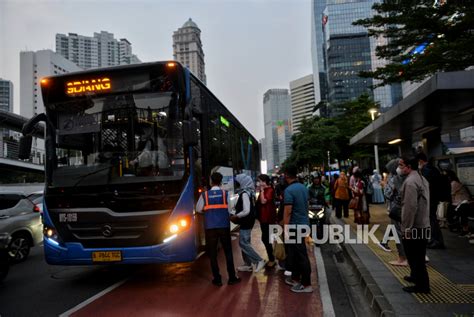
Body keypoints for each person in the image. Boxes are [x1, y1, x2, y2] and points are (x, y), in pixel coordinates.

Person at [196, 172, 241, 286]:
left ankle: (217, 279)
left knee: (212, 254)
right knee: (228, 252)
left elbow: (198, 209)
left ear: (211, 181)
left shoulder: (204, 195)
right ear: (221, 182)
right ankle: (231, 278)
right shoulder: (225, 194)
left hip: (210, 227)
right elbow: (230, 210)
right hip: (224, 226)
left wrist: (208, 212)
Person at [399, 156, 430, 293]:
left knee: (415, 256)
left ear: (409, 166)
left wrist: (406, 229)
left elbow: (409, 208)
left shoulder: (411, 182)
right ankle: (415, 276)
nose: (399, 168)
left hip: (415, 226)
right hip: (423, 223)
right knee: (418, 254)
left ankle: (422, 286)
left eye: (401, 165)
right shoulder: (421, 178)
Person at [282, 164, 313, 293]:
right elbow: (306, 205)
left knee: (301, 255)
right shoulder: (303, 188)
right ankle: (295, 278)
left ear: (286, 175)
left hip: (295, 226)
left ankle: (306, 284)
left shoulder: (289, 190)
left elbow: (288, 211)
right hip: (304, 223)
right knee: (295, 253)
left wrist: (285, 228)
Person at [230, 174, 266, 273]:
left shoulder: (245, 193)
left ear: (242, 182)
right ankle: (248, 264)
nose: (236, 183)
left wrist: (236, 216)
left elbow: (246, 210)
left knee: (243, 243)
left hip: (246, 221)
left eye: (238, 181)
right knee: (245, 242)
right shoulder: (250, 192)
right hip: (249, 220)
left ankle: (259, 260)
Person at [416, 153, 445, 249]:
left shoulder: (426, 170)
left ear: (420, 161)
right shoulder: (433, 169)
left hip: (430, 198)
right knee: (431, 219)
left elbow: (424, 184)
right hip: (433, 198)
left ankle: (436, 241)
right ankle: (434, 239)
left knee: (431, 220)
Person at [384, 158, 408, 266]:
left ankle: (402, 257)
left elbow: (387, 194)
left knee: (398, 232)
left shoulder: (395, 179)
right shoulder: (410, 177)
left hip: (397, 209)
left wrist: (386, 184)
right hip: (409, 209)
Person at [256, 174, 278, 267]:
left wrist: (261, 190)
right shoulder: (266, 190)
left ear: (264, 182)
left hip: (268, 218)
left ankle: (272, 259)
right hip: (264, 218)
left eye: (260, 181)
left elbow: (263, 201)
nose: (259, 183)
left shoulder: (269, 190)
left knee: (266, 238)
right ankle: (272, 258)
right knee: (267, 238)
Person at [445, 170, 472, 237]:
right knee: (449, 207)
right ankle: (453, 224)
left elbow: (449, 194)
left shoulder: (454, 183)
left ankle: (463, 228)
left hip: (464, 202)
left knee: (459, 209)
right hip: (457, 202)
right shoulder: (452, 183)